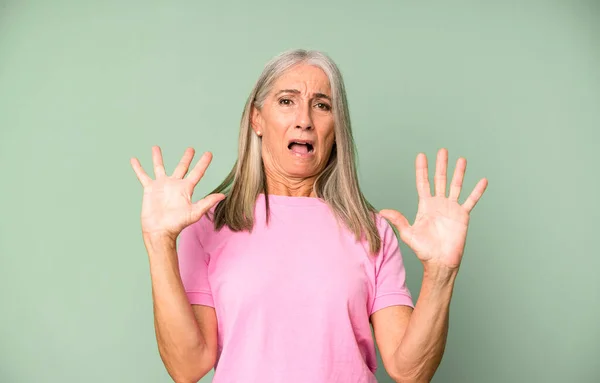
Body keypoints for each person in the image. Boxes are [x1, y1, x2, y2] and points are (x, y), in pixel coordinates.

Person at [130, 49, 488, 383]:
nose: (304, 120)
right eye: (287, 101)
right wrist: (159, 243)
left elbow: (411, 370)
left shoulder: (371, 230)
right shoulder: (210, 225)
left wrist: (442, 273)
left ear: (337, 127)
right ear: (257, 118)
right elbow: (187, 366)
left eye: (321, 105)